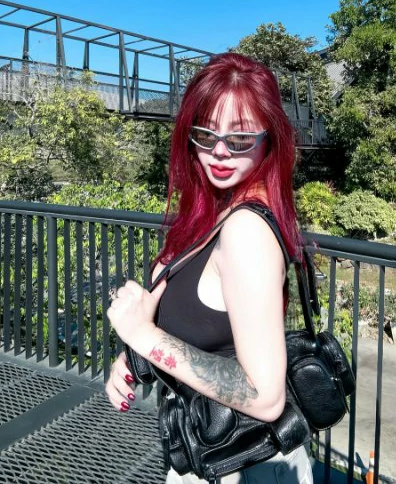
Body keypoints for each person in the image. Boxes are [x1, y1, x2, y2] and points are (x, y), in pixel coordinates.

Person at [105, 52, 314, 483]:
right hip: (212, 450)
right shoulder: (220, 211)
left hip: (244, 465)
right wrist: (137, 356)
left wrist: (142, 335)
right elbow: (208, 334)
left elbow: (263, 395)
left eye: (240, 139)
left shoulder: (246, 231)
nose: (219, 151)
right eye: (205, 134)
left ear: (269, 138)